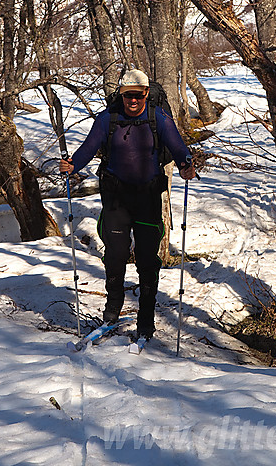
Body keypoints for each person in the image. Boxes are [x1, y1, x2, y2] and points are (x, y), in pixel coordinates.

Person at [60, 69, 196, 340]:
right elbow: (88, 148)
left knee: (147, 261)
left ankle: (146, 320)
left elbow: (179, 148)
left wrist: (186, 165)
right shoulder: (107, 119)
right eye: (127, 95)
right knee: (115, 256)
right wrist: (72, 165)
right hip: (116, 199)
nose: (132, 100)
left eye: (138, 95)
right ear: (120, 95)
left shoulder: (159, 118)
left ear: (146, 94)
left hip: (147, 199)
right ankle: (111, 313)